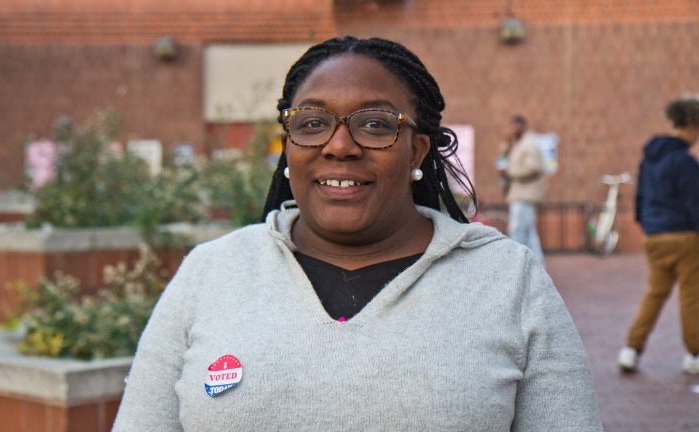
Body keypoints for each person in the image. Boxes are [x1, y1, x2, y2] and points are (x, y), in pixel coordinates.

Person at [113, 36, 602, 431]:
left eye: (374, 124)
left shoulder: (507, 280)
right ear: (289, 146)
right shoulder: (213, 272)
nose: (339, 146)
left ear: (417, 151)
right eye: (312, 123)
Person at [618, 98, 699, 375]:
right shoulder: (685, 162)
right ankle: (695, 355)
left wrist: (648, 225)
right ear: (690, 126)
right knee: (691, 296)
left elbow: (640, 198)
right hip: (685, 237)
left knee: (654, 294)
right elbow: (694, 203)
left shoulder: (649, 159)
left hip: (654, 236)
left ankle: (631, 350)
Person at [498, 115, 547, 264]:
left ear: (523, 126)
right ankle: (537, 264)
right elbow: (503, 156)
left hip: (525, 196)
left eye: (515, 127)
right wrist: (507, 142)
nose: (512, 130)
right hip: (519, 194)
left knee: (518, 230)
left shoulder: (529, 144)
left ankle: (518, 264)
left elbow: (535, 167)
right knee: (528, 232)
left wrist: (511, 172)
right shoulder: (518, 144)